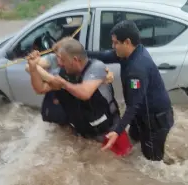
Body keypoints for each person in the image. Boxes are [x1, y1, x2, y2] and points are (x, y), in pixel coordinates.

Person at [27, 38, 132, 156]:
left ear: (75, 60)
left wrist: (63, 84)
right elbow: (40, 89)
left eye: (62, 60)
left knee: (125, 162)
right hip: (84, 137)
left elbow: (85, 93)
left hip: (110, 132)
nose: (59, 63)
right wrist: (33, 69)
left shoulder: (97, 67)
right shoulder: (64, 73)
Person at [87, 20, 174, 161]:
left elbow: (133, 105)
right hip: (141, 116)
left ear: (127, 42)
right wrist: (80, 53)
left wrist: (117, 131)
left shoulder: (137, 69)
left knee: (152, 162)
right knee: (133, 142)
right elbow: (105, 55)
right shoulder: (131, 52)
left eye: (115, 43)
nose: (113, 46)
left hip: (155, 122)